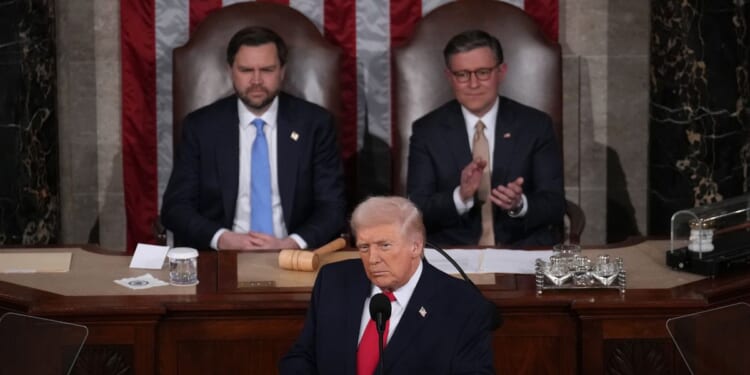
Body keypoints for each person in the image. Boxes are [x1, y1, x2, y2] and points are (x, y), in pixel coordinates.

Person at [161, 26, 346, 251]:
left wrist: (293, 243)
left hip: (294, 257)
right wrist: (221, 238)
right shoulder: (201, 127)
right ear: (231, 71)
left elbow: (333, 206)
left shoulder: (314, 124)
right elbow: (176, 207)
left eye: (267, 70)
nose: (256, 80)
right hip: (223, 259)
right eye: (246, 70)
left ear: (282, 71)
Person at [279, 196, 495, 374]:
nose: (372, 258)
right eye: (364, 247)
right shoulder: (333, 282)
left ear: (416, 246)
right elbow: (302, 357)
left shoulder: (463, 307)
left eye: (385, 245)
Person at [407, 29, 565, 247]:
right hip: (453, 252)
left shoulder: (535, 125)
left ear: (501, 72)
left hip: (521, 247)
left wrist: (519, 204)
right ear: (449, 77)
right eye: (462, 75)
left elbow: (554, 204)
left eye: (482, 72)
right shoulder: (427, 130)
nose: (473, 84)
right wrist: (460, 196)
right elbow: (417, 208)